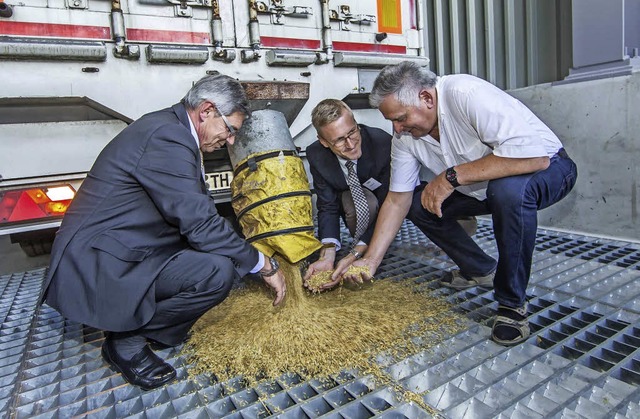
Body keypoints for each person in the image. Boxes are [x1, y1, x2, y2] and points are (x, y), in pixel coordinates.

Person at [42, 73, 286, 390]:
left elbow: (196, 214)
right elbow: (201, 225)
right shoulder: (167, 137)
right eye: (230, 130)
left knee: (219, 262)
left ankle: (147, 323)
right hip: (100, 261)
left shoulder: (172, 129)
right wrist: (265, 264)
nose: (229, 141)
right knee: (217, 272)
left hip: (129, 245)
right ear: (207, 110)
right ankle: (126, 339)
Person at [334, 61, 578, 346]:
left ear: (426, 98)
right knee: (416, 202)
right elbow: (398, 199)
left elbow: (535, 158)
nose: (396, 128)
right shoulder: (405, 137)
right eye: (392, 121)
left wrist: (450, 177)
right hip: (480, 189)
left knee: (508, 192)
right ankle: (479, 269)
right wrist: (370, 261)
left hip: (548, 171)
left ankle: (512, 304)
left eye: (400, 118)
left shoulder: (466, 93)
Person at [302, 99, 392, 284]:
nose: (351, 145)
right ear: (324, 142)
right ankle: (359, 243)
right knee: (354, 201)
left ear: (356, 124)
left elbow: (390, 205)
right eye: (339, 140)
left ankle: (369, 246)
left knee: (369, 202)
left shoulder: (381, 143)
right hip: (347, 200)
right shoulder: (316, 154)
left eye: (352, 132)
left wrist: (357, 253)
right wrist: (327, 254)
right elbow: (327, 205)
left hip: (381, 203)